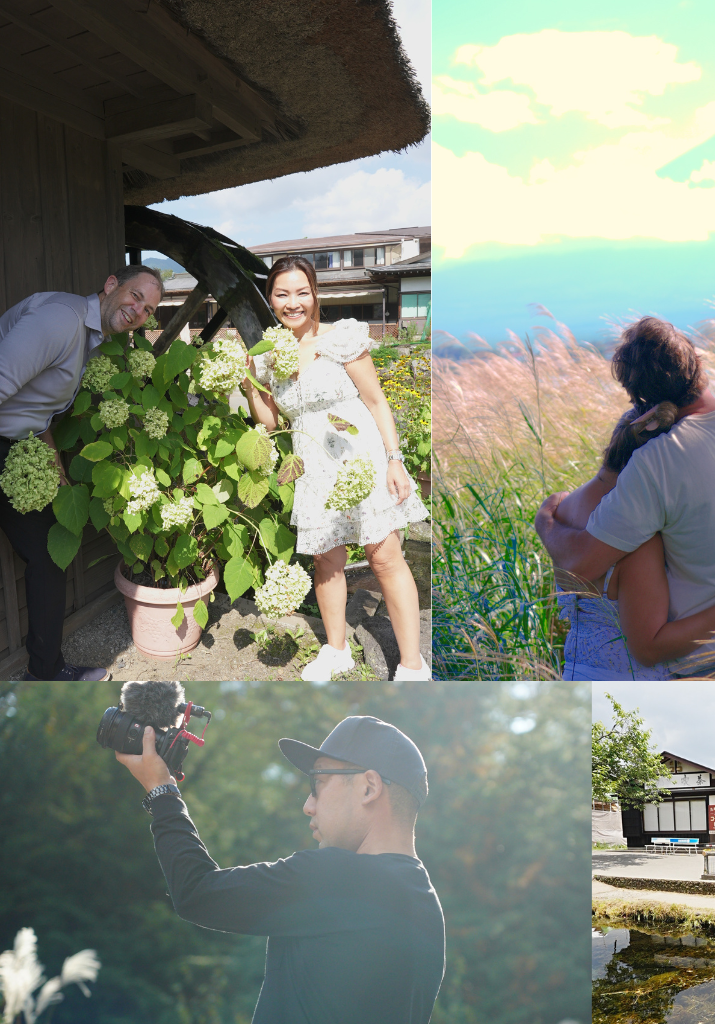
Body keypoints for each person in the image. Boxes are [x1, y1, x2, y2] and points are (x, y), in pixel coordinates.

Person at [534, 316, 715, 680]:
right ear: (699, 366)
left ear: (640, 400)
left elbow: (580, 568)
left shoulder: (655, 463)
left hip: (713, 662)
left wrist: (545, 521)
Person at [114, 713, 446, 1024]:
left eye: (319, 783)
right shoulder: (428, 909)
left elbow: (196, 892)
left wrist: (162, 790)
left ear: (369, 788)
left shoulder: (340, 877)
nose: (308, 805)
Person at [242, 256, 429, 681]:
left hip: (359, 458)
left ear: (315, 294)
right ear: (271, 300)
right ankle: (337, 650)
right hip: (313, 466)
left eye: (301, 292)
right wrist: (250, 382)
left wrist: (395, 461)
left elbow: (377, 400)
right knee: (327, 561)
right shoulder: (272, 357)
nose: (293, 302)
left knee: (385, 558)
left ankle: (413, 665)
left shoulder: (341, 337)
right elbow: (271, 423)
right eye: (282, 294)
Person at [0, 266, 163, 681]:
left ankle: (47, 672)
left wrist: (54, 463)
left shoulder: (90, 336)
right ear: (111, 286)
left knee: (45, 557)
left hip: (20, 449)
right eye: (135, 296)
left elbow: (37, 411)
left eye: (148, 309)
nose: (138, 311)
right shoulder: (62, 319)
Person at [553, 402, 715, 679]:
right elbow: (650, 647)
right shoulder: (632, 536)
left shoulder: (562, 508)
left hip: (575, 674)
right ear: (655, 461)